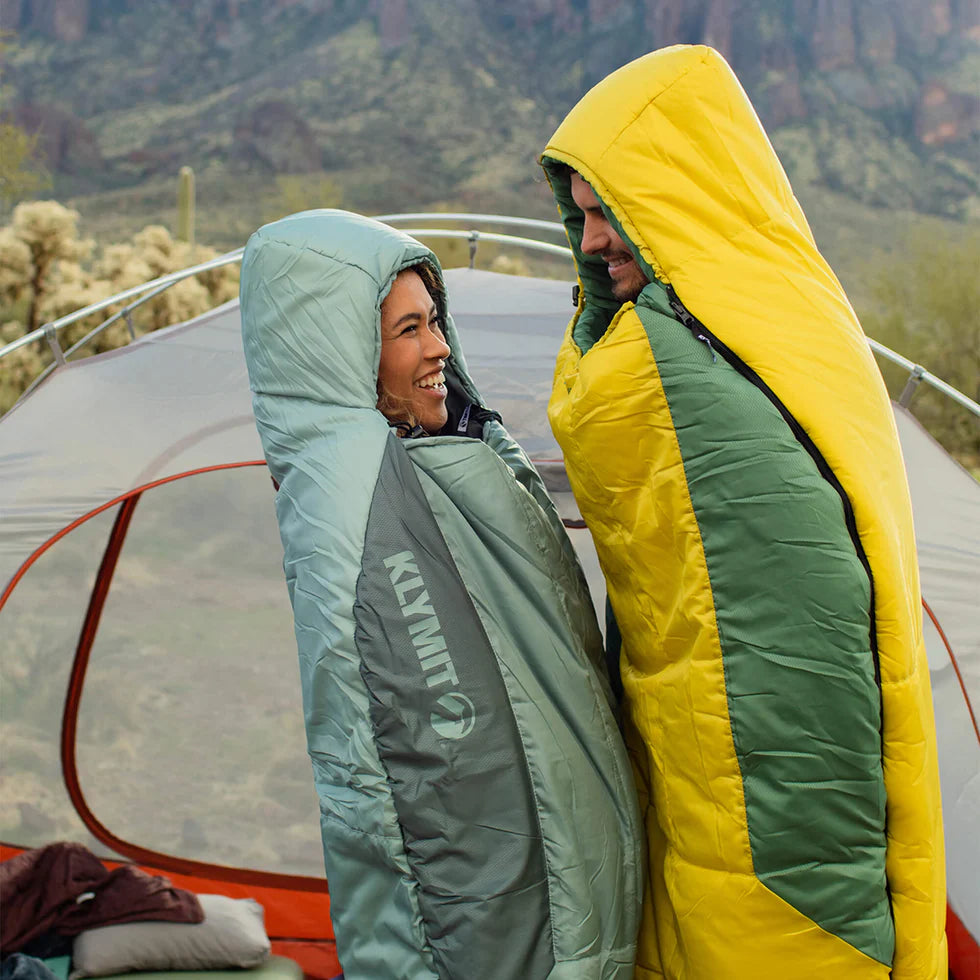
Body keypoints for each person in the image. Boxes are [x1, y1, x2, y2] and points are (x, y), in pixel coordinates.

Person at [539, 45, 946, 980]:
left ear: (674, 200)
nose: (594, 241)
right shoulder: (787, 312)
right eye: (585, 216)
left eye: (612, 212)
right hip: (715, 779)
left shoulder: (698, 354)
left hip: (783, 815)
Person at [239, 209, 642, 980]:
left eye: (435, 322)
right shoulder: (358, 511)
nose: (439, 349)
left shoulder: (440, 452)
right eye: (409, 330)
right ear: (344, 353)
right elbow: (396, 779)